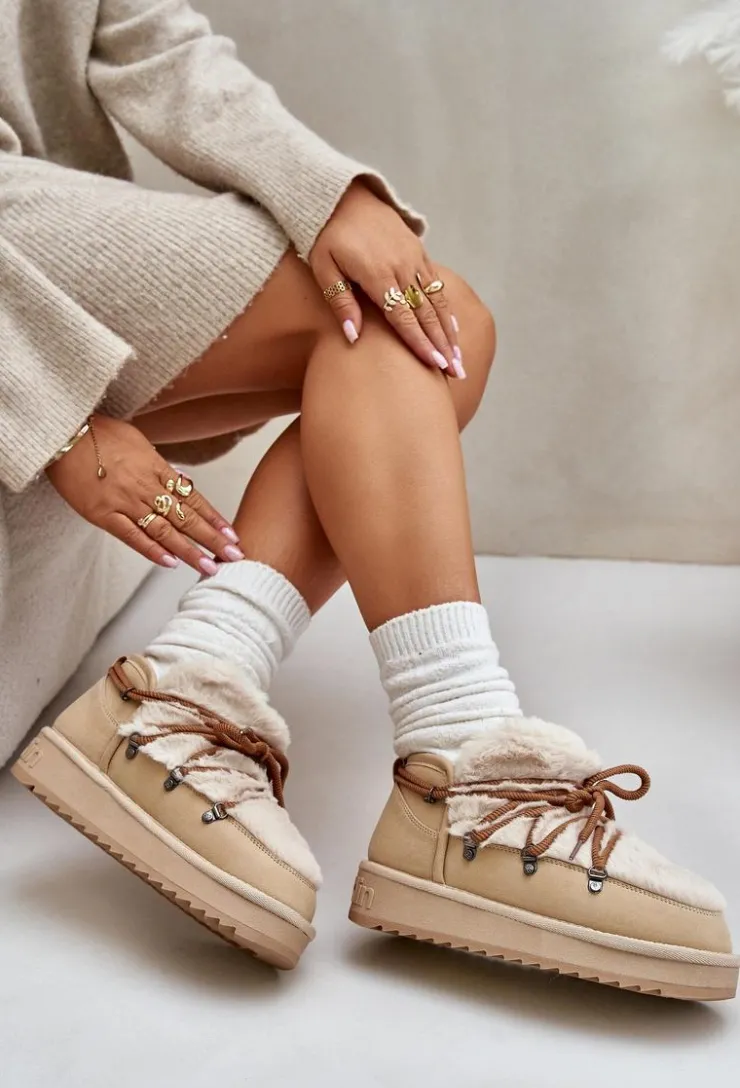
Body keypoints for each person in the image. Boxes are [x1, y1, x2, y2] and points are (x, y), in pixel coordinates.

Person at [4, 0, 736, 1001]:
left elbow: (148, 38)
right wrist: (50, 412)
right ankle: (460, 756)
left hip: (43, 211)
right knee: (386, 321)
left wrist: (329, 194)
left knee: (438, 320)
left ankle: (190, 684)